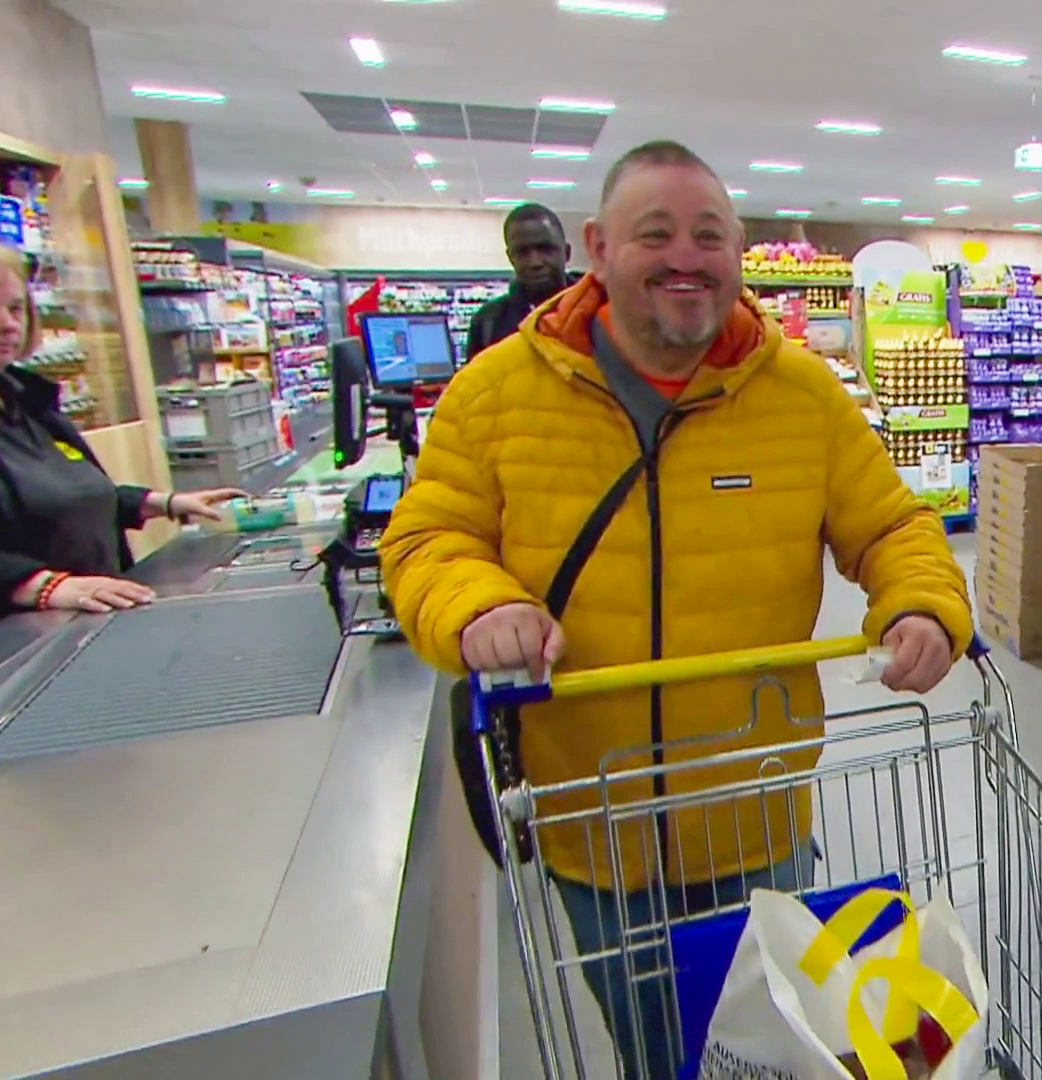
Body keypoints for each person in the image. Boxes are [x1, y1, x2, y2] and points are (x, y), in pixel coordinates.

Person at [379, 139, 973, 1077]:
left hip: (755, 815)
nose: (686, 258)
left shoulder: (802, 395)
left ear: (738, 251)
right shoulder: (496, 394)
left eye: (710, 235)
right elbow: (426, 539)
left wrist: (925, 605)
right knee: (654, 1048)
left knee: (777, 1046)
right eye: (655, 234)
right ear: (597, 247)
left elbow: (895, 524)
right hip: (594, 826)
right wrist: (479, 605)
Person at [0, 246, 244, 613]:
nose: (8, 323)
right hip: (26, 638)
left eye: (16, 308)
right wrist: (40, 585)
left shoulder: (28, 400)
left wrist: (162, 503)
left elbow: (65, 497)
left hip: (92, 618)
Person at [462, 202, 577, 361]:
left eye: (545, 249)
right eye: (522, 252)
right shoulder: (487, 323)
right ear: (511, 258)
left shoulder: (597, 313)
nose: (535, 262)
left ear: (567, 253)